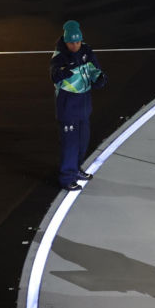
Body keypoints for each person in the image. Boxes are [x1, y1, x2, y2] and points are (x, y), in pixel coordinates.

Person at [50, 20, 107, 191]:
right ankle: (67, 177)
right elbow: (55, 76)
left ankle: (76, 169)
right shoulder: (59, 57)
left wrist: (100, 79)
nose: (75, 46)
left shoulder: (86, 50)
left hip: (83, 105)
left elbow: (94, 70)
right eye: (71, 42)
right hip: (68, 106)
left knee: (83, 141)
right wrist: (67, 69)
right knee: (70, 144)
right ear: (66, 42)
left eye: (77, 42)